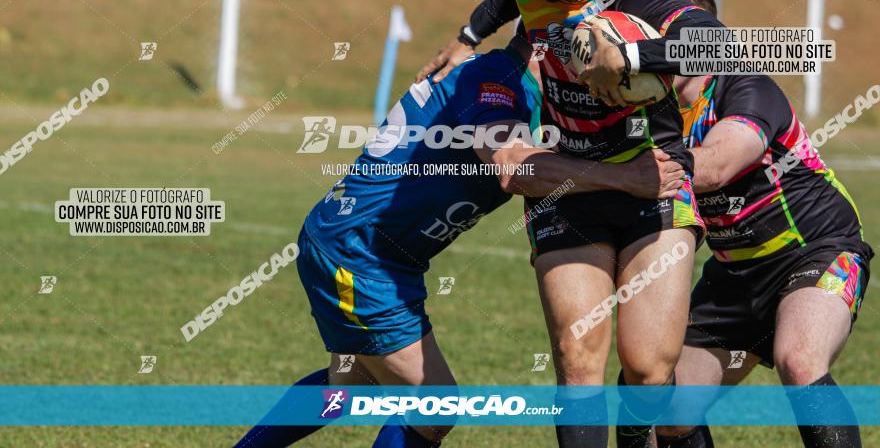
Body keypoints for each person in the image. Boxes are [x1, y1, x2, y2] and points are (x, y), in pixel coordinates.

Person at [233, 37, 687, 448]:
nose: (593, 73)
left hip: (374, 252)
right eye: (587, 57)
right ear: (545, 48)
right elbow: (516, 168)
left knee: (349, 383)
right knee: (434, 408)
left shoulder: (525, 90)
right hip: (359, 254)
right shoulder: (494, 79)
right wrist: (627, 178)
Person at [415, 0, 723, 447]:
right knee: (577, 358)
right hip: (569, 183)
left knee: (650, 372)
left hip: (654, 180)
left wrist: (626, 56)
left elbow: (713, 44)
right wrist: (467, 36)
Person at [650, 0, 872, 448]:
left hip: (815, 251)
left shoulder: (747, 85)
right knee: (667, 413)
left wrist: (637, 171)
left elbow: (715, 165)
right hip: (735, 276)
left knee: (799, 359)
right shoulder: (651, 110)